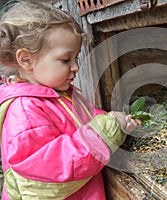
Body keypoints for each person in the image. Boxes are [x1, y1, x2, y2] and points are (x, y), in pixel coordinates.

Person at [0, 1, 141, 199]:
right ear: (26, 60)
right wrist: (107, 131)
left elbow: (85, 118)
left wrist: (116, 121)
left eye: (76, 58)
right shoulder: (25, 111)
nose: (76, 67)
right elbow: (52, 171)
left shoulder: (59, 93)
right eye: (66, 60)